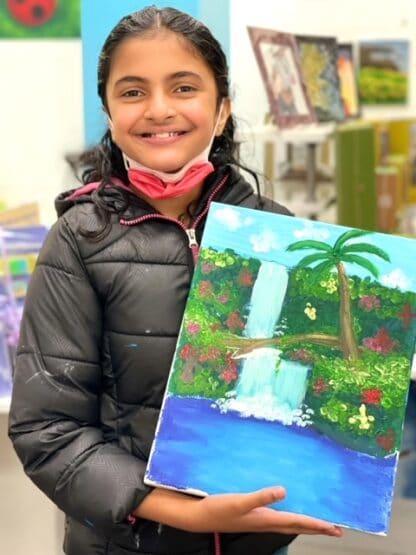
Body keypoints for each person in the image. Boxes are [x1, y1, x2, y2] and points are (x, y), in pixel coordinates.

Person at [8, 6, 343, 555]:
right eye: (133, 92)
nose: (159, 109)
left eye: (183, 87)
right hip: (128, 543)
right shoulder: (80, 240)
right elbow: (48, 432)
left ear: (221, 111)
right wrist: (180, 513)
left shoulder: (277, 232)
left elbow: (312, 388)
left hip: (256, 543)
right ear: (110, 113)